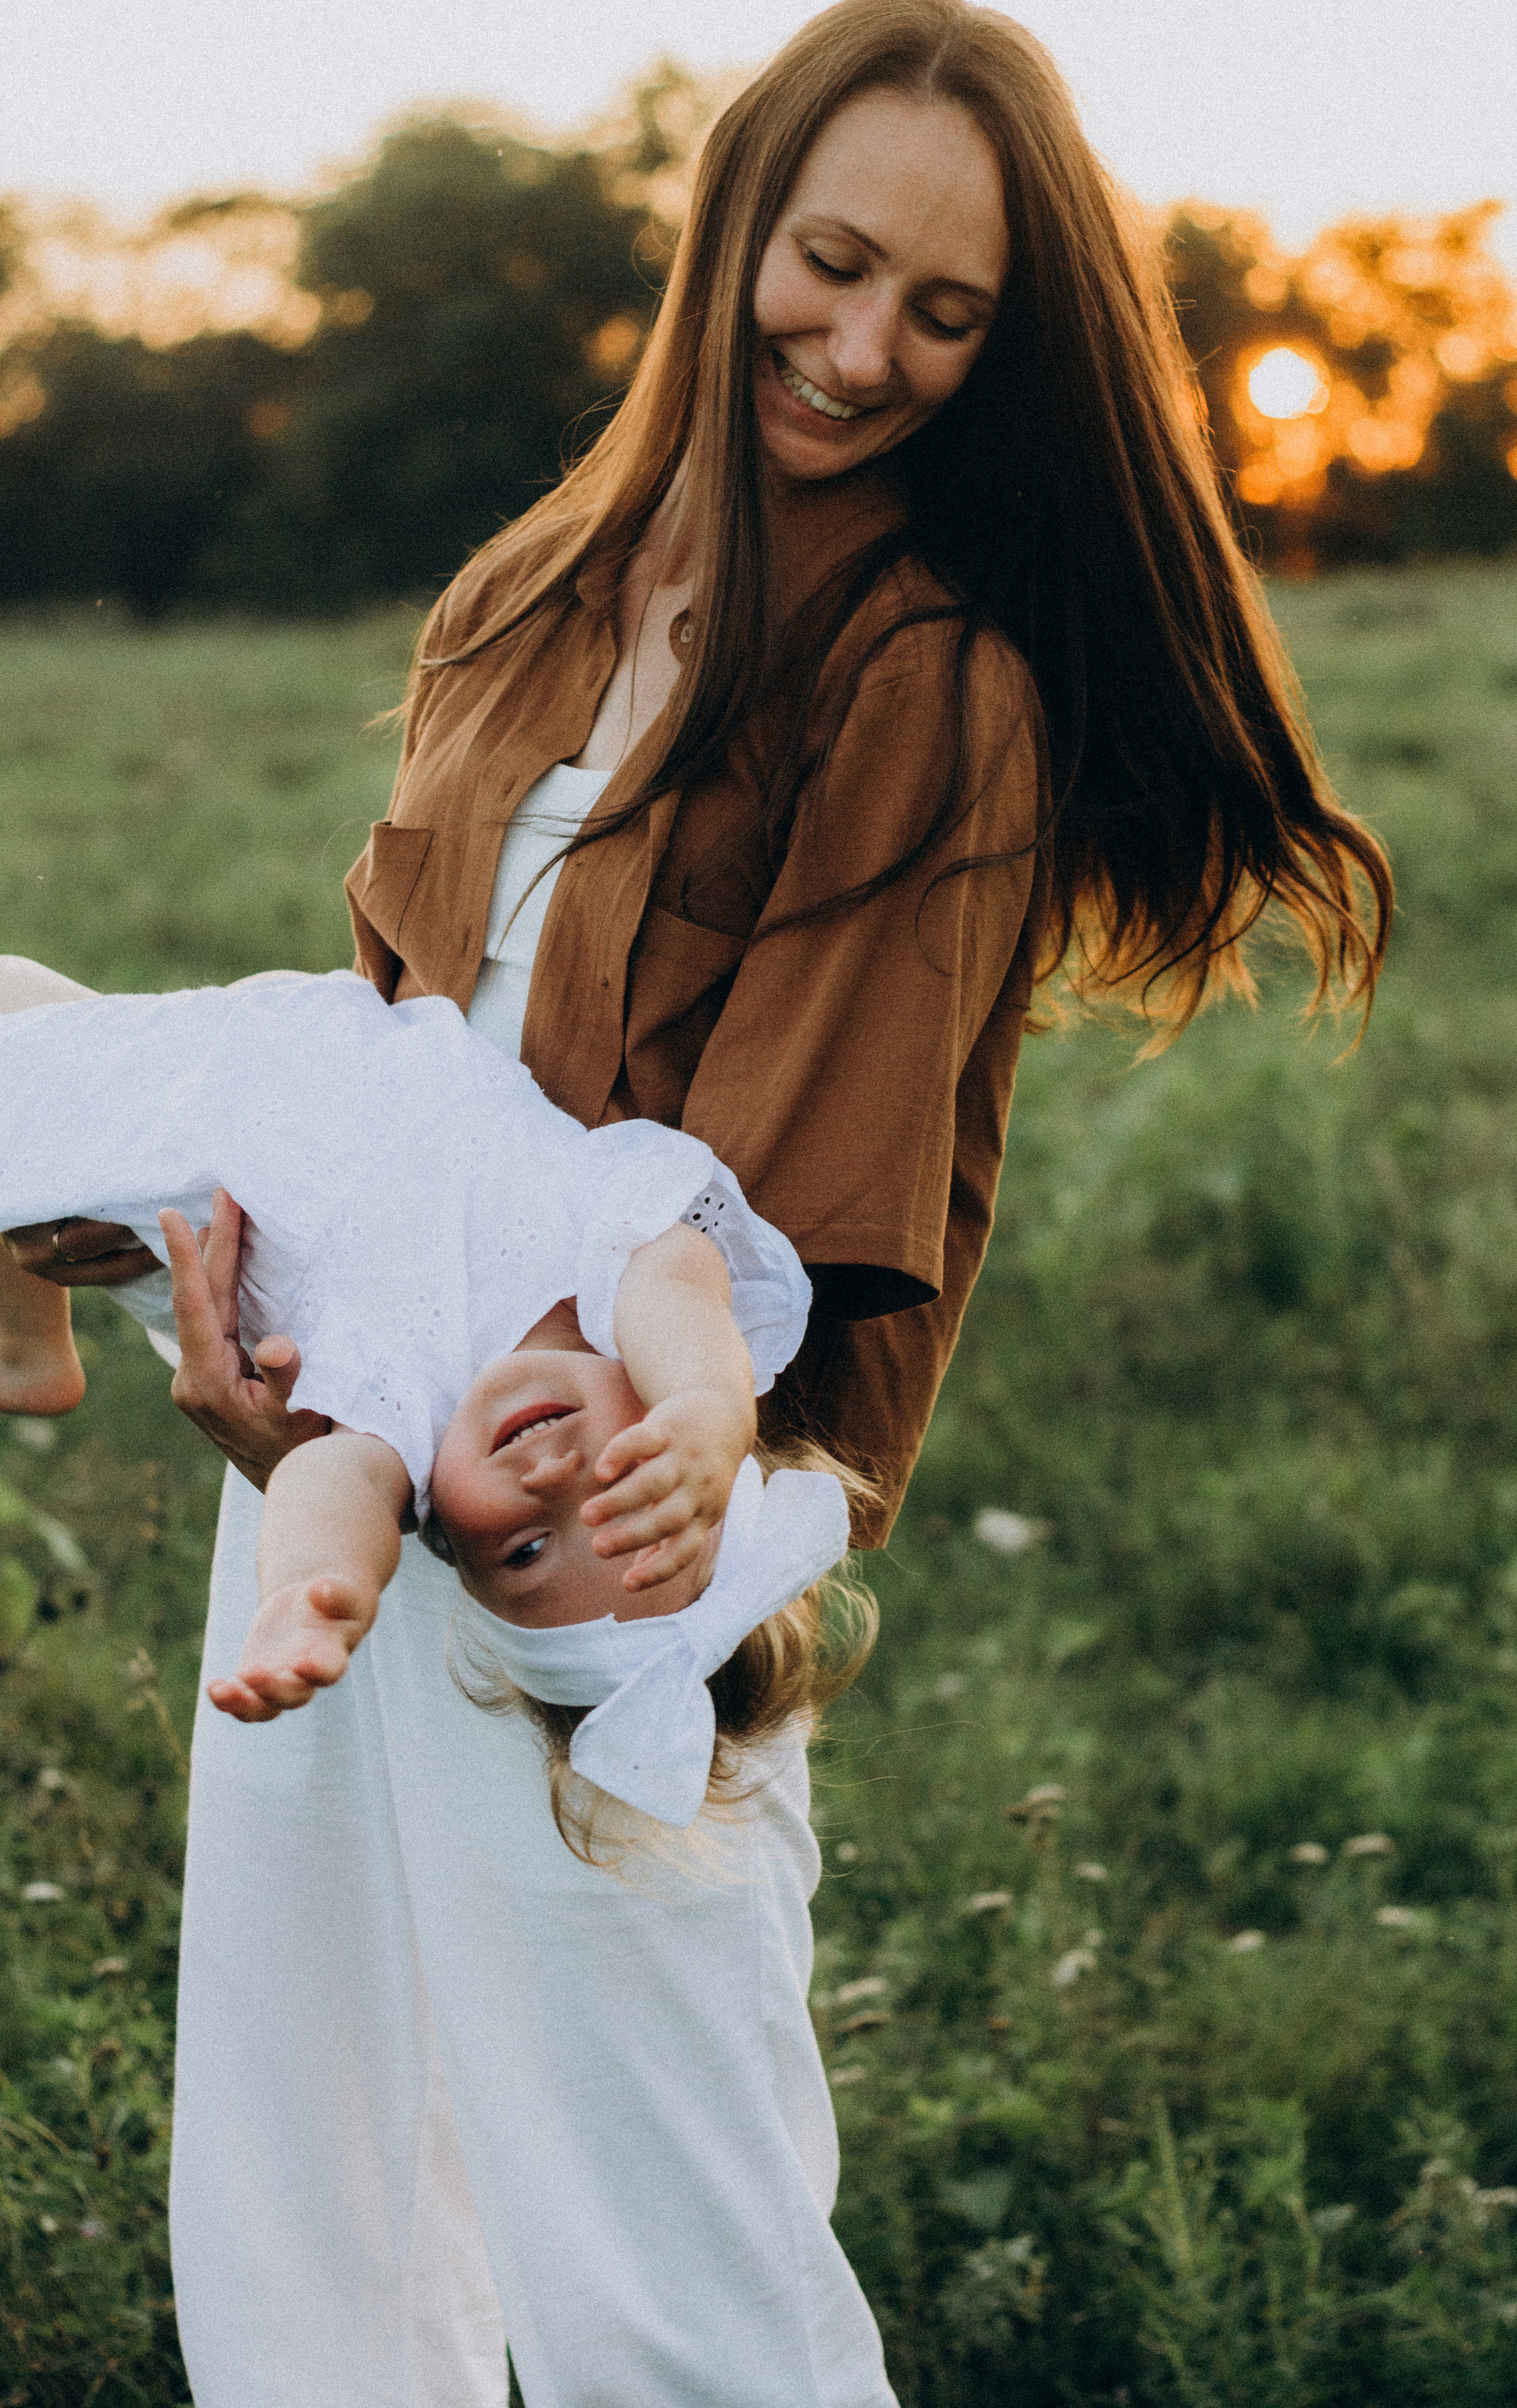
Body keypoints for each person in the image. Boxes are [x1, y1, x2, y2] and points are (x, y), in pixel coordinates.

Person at [3, 5, 1392, 2401]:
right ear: (734, 222)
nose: (862, 351)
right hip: (328, 1488)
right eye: (831, 266)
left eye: (944, 315)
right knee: (307, 2224)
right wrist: (221, 1320)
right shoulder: (532, 589)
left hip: (607, 1533)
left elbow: (764, 1235)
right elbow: (379, 1081)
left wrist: (497, 1464)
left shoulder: (931, 682)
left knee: (674, 2306)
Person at [0, 956, 827, 1736]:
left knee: (17, 1055)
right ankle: (27, 1343)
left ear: (457, 1554)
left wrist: (310, 1585)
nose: (551, 1481)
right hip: (308, 1052)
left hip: (221, 1153)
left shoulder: (414, 1422)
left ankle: (24, 1345)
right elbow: (681, 1290)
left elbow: (334, 1483)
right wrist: (708, 1405)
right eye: (630, 1483)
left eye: (527, 1550)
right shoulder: (609, 1264)